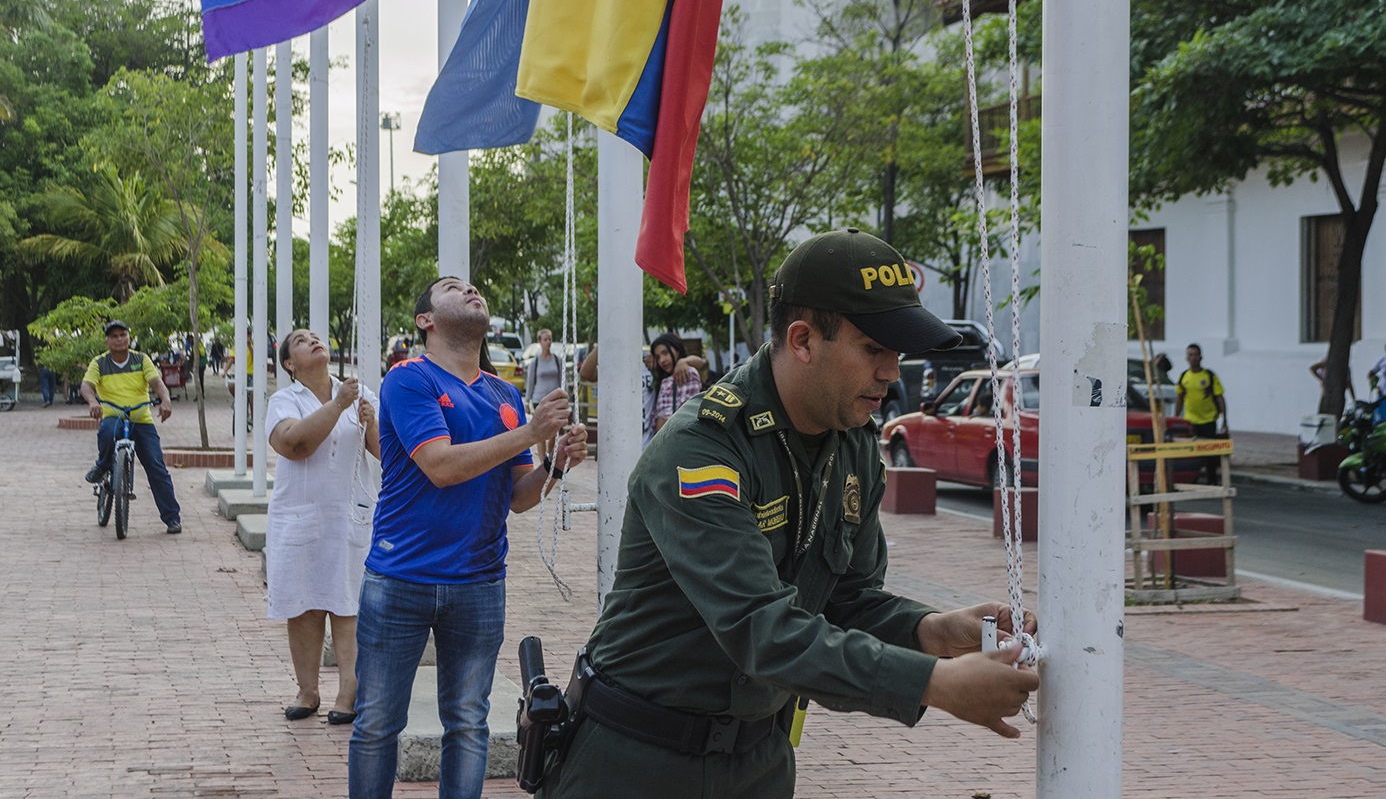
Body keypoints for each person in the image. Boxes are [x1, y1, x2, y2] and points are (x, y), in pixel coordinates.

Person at [538, 228, 1039, 799]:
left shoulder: (851, 444)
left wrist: (931, 631)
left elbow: (845, 600)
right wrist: (936, 683)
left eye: (898, 353)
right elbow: (762, 630)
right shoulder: (703, 449)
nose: (893, 373)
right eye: (875, 349)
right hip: (636, 764)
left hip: (759, 763)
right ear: (802, 340)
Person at [348, 276, 588, 799]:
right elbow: (439, 466)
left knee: (467, 723)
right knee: (376, 724)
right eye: (454, 288)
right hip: (399, 577)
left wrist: (555, 464)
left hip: (480, 581)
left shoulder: (504, 392)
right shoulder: (409, 378)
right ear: (425, 320)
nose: (472, 290)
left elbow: (517, 496)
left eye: (475, 287)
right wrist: (530, 433)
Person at [266, 329, 381, 725]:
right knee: (303, 606)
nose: (313, 340)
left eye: (315, 337)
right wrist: (337, 405)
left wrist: (371, 422)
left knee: (348, 605)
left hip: (348, 515)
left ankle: (348, 692)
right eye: (300, 341)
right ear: (289, 364)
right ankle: (307, 689)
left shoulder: (358, 392)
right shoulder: (283, 400)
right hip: (297, 516)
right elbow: (295, 444)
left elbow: (385, 453)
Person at [80, 320, 182, 534]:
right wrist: (93, 402)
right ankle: (103, 465)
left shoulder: (141, 359)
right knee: (106, 432)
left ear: (129, 337)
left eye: (122, 335)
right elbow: (86, 386)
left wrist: (165, 400)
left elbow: (157, 383)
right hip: (113, 416)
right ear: (107, 341)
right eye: (114, 336)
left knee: (156, 466)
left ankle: (172, 517)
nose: (119, 339)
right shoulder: (99, 363)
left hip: (141, 419)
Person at [579, 342, 705, 448]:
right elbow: (585, 373)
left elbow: (703, 364)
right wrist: (603, 341)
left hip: (648, 444)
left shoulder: (649, 366)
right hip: (619, 445)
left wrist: (684, 361)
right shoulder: (616, 367)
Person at [1175, 343, 1227, 483]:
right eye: (1190, 355)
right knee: (1192, 451)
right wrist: (1176, 418)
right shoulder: (1184, 377)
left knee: (1210, 451)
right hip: (1190, 420)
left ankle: (1212, 479)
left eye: (1196, 354)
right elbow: (1180, 398)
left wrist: (1224, 419)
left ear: (1201, 357)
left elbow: (1219, 397)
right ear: (1187, 358)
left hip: (1208, 419)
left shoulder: (1209, 376)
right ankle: (1193, 478)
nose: (1193, 358)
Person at [525, 329, 564, 462]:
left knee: (554, 429)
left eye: (550, 339)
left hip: (555, 399)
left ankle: (550, 454)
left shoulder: (557, 360)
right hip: (539, 399)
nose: (548, 342)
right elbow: (530, 382)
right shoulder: (535, 362)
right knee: (540, 430)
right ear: (540, 342)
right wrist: (527, 402)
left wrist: (566, 397)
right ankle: (543, 462)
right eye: (545, 339)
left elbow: (562, 380)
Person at [650, 332, 702, 432]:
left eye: (665, 353)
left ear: (677, 350)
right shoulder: (665, 380)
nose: (662, 360)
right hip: (662, 442)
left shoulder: (687, 373)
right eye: (658, 357)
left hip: (675, 441)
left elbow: (687, 415)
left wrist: (683, 361)